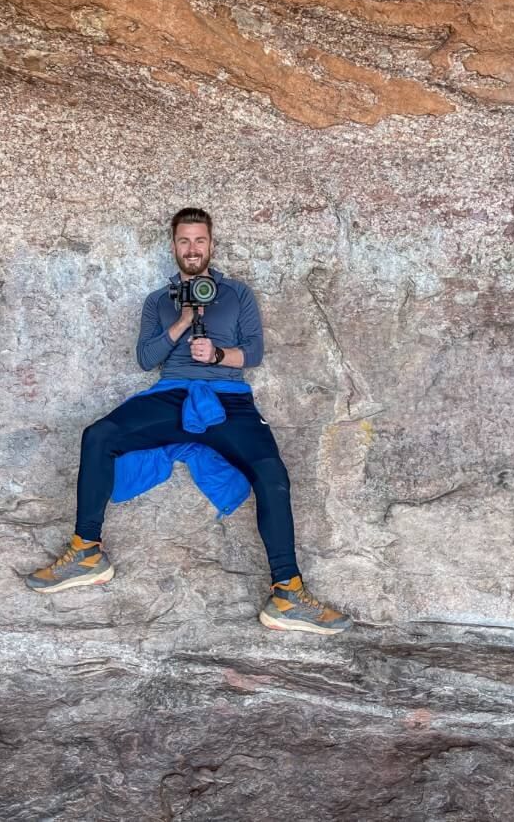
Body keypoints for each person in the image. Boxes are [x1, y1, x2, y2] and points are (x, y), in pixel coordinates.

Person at [25, 207, 353, 635]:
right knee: (99, 435)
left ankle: (287, 593)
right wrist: (181, 321)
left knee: (272, 474)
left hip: (229, 400)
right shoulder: (158, 302)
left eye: (200, 240)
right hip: (171, 395)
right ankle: (86, 551)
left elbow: (252, 354)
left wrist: (217, 355)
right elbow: (146, 359)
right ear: (174, 246)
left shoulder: (237, 294)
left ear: (211, 244)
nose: (192, 248)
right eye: (184, 241)